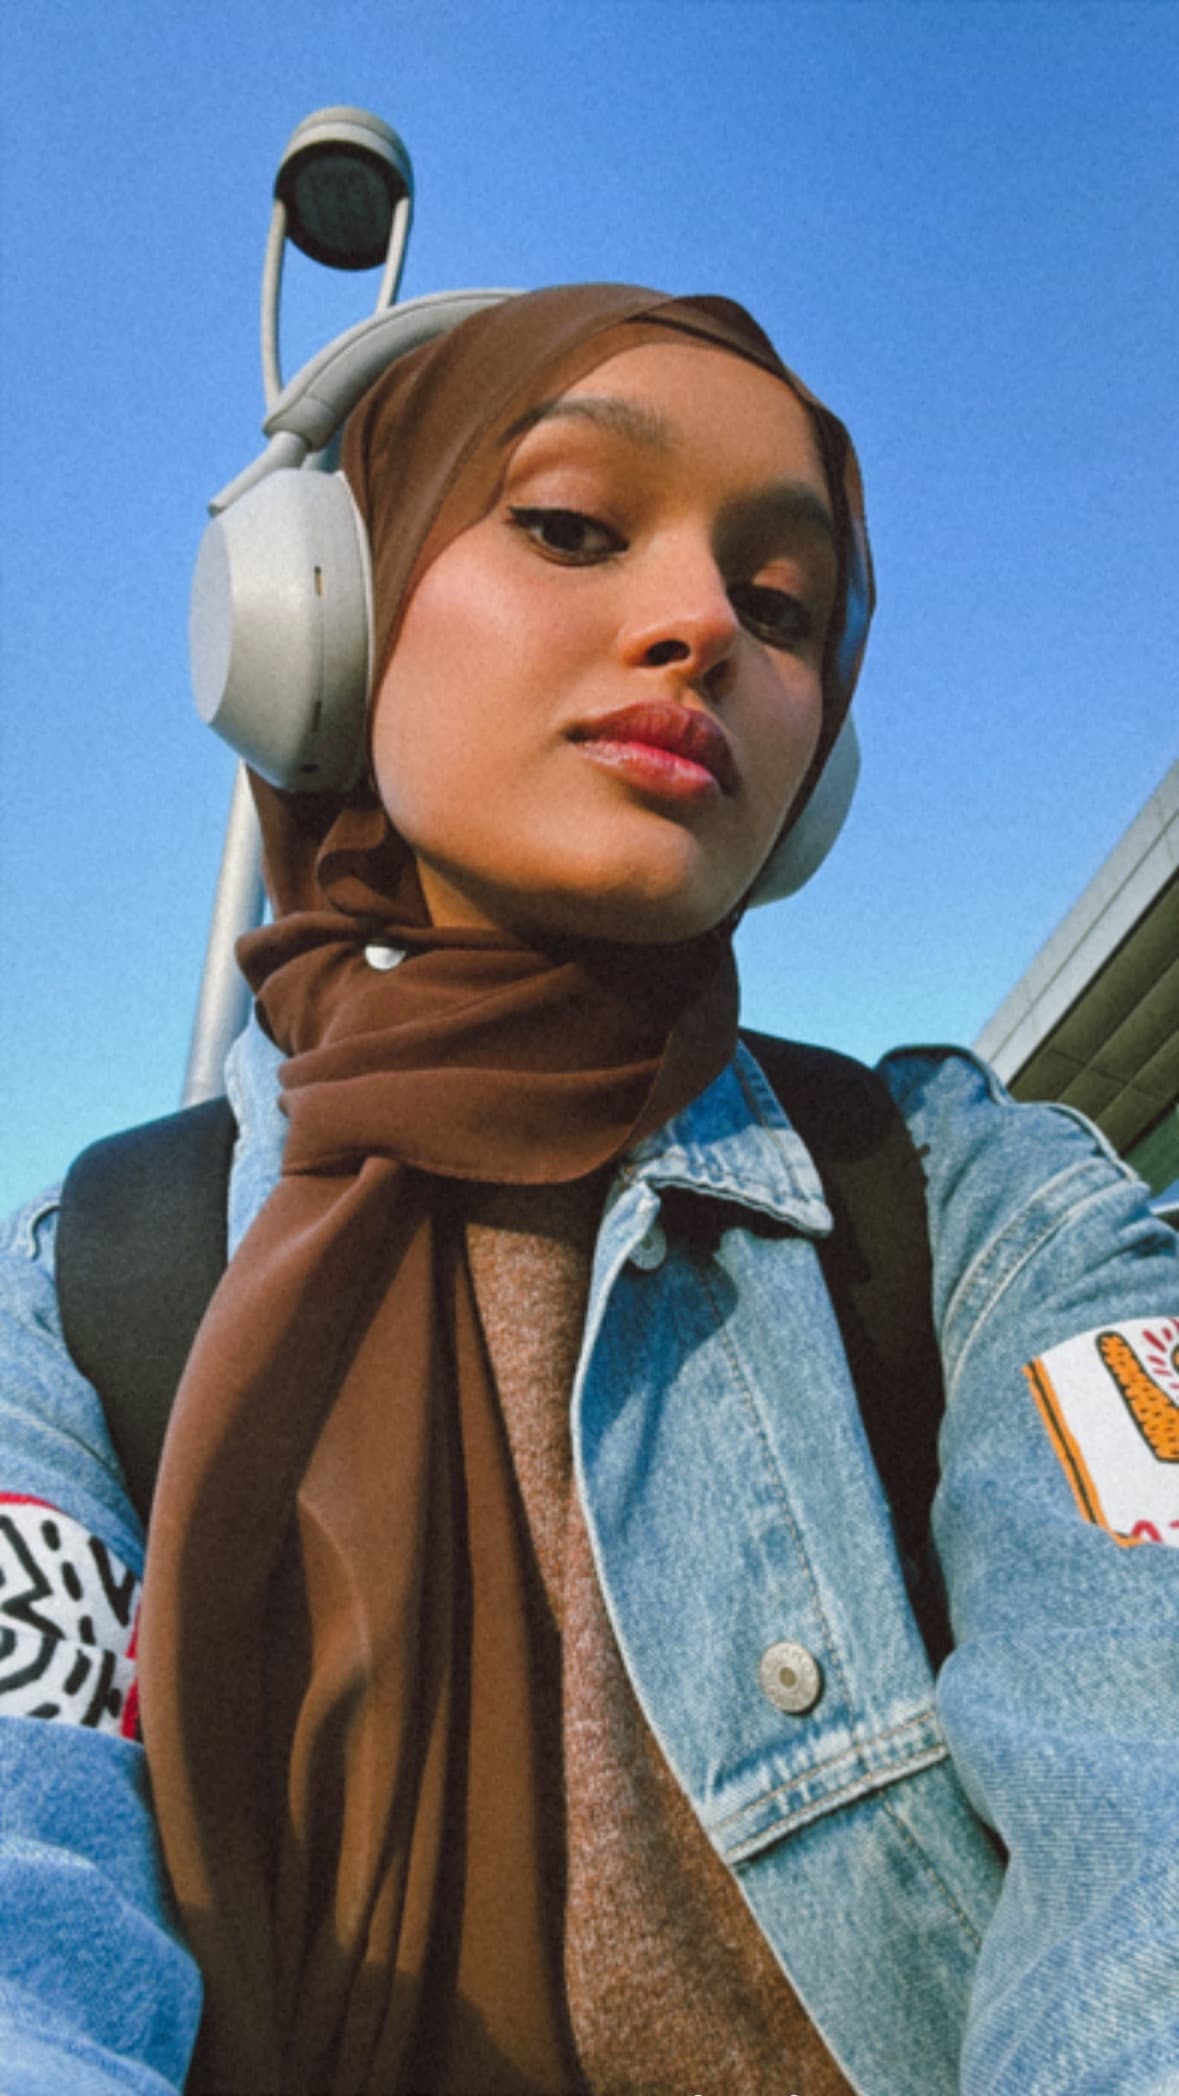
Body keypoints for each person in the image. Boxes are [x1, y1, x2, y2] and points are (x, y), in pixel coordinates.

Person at [1, 283, 1176, 2096]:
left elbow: (1152, 1792)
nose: (700, 623)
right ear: (331, 602)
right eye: (568, 525)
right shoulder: (79, 1297)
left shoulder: (983, 1216)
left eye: (782, 609)